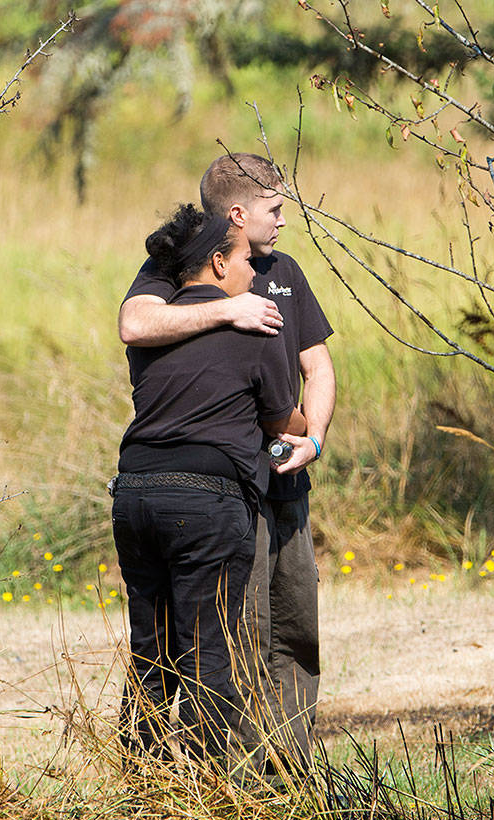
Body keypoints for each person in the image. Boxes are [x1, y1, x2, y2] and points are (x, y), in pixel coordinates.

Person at [119, 153, 334, 773]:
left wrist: (312, 439)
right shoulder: (177, 266)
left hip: (281, 477)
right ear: (236, 216)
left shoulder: (286, 272)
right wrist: (229, 309)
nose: (285, 220)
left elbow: (316, 367)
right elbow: (134, 324)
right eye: (275, 208)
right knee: (232, 635)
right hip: (223, 488)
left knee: (293, 626)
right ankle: (233, 779)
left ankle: (289, 773)